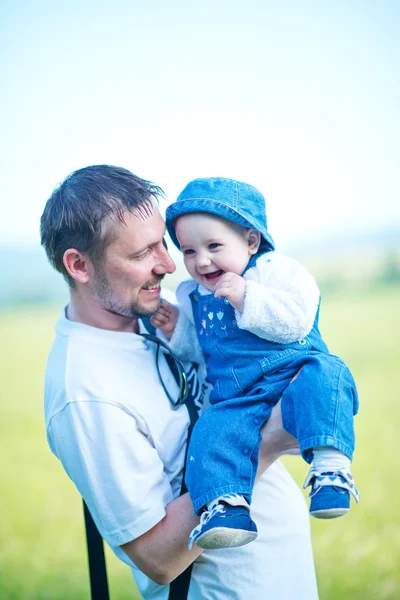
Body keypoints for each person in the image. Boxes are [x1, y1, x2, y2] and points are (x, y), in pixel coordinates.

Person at [41, 164, 319, 600]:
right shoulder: (85, 393)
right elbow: (156, 558)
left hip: (283, 576)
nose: (170, 266)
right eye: (141, 254)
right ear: (79, 265)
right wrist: (267, 441)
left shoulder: (161, 316)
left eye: (164, 245)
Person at [151, 176, 360, 551]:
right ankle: (226, 507)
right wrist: (178, 330)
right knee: (212, 431)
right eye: (188, 251)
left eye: (214, 245)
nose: (202, 260)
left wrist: (249, 297)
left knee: (329, 375)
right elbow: (204, 351)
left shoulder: (277, 271)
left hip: (293, 372)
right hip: (239, 393)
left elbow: (296, 319)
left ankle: (330, 469)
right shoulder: (193, 295)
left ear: (250, 240)